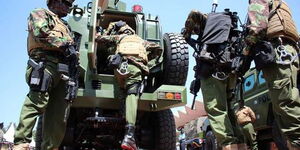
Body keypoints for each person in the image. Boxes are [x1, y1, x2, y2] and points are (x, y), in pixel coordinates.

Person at [183, 10, 252, 150]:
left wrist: (187, 32)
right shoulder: (227, 29)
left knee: (216, 109)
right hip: (230, 70)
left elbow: (194, 13)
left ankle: (228, 145)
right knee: (230, 111)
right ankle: (241, 145)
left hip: (212, 70)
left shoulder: (206, 20)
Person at [13, 0, 76, 149]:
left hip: (63, 70)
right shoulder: (40, 13)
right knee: (36, 102)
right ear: (54, 2)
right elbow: (40, 32)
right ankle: (21, 143)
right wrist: (65, 45)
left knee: (58, 116)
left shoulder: (65, 25)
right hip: (44, 63)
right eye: (67, 2)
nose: (70, 7)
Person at [96, 20, 162, 150]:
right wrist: (148, 63)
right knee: (132, 95)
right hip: (134, 69)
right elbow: (158, 49)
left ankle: (121, 116)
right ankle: (129, 136)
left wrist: (101, 31)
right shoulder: (141, 41)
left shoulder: (119, 37)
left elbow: (99, 39)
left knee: (122, 91)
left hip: (119, 69)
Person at [245, 0, 300, 149]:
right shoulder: (282, 3)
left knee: (285, 103)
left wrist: (245, 51)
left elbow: (258, 27)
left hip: (278, 51)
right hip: (290, 51)